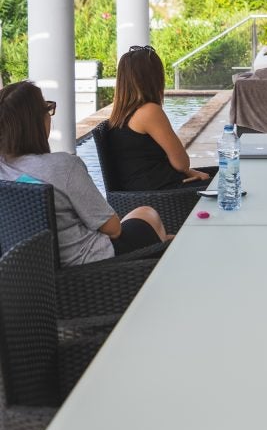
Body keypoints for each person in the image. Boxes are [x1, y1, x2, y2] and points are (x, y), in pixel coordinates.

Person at [0, 81, 171, 267]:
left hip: (40, 271)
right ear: (34, 122)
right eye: (47, 108)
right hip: (93, 265)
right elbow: (113, 229)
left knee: (167, 238)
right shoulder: (63, 166)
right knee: (147, 214)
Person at [107, 45, 217, 191]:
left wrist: (190, 172)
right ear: (153, 78)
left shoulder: (120, 115)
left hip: (143, 190)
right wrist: (187, 170)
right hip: (161, 193)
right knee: (232, 181)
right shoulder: (149, 111)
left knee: (224, 176)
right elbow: (182, 163)